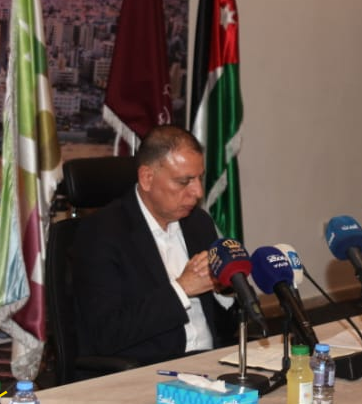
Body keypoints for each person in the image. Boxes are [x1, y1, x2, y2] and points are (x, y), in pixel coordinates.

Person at [72, 125, 238, 367]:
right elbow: (106, 333)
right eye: (184, 181)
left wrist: (224, 288)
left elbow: (225, 325)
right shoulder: (100, 234)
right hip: (149, 370)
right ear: (147, 178)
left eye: (199, 178)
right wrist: (182, 289)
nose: (198, 192)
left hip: (211, 363)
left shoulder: (198, 223)